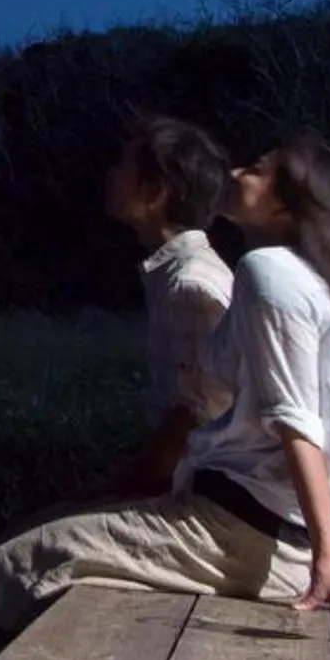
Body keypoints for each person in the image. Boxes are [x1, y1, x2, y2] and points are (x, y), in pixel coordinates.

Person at [0, 134, 330, 629]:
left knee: (12, 562)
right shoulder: (326, 284)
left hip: (237, 531)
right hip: (268, 529)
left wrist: (329, 561)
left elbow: (299, 421)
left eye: (259, 169)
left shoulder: (266, 270)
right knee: (40, 546)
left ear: (289, 204)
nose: (239, 172)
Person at [98, 114, 234, 498]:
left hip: (204, 496)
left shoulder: (189, 286)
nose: (110, 175)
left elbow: (194, 421)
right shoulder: (179, 273)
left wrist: (115, 491)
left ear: (155, 193)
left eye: (122, 167)